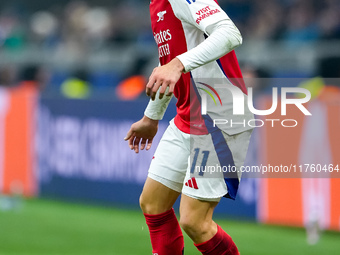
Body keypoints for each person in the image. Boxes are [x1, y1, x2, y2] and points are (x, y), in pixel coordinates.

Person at [125, 0, 253, 254]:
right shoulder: (156, 5)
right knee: (153, 204)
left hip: (220, 117)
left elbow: (229, 33)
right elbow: (169, 66)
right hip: (187, 118)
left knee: (195, 221)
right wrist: (152, 117)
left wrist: (178, 64)